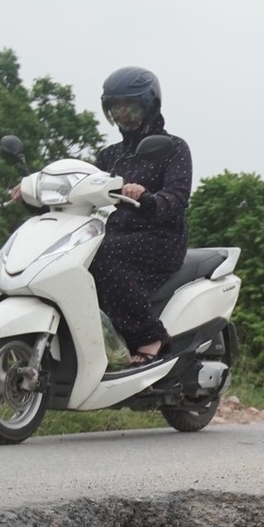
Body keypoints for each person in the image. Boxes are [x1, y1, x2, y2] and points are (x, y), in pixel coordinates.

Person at [91, 66, 192, 366]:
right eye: (116, 106)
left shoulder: (173, 148)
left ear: (149, 106)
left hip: (160, 237)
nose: (123, 113)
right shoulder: (109, 156)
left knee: (102, 254)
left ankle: (150, 336)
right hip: (118, 233)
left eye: (130, 106)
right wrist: (33, 185)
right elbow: (85, 185)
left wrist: (147, 197)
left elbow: (177, 197)